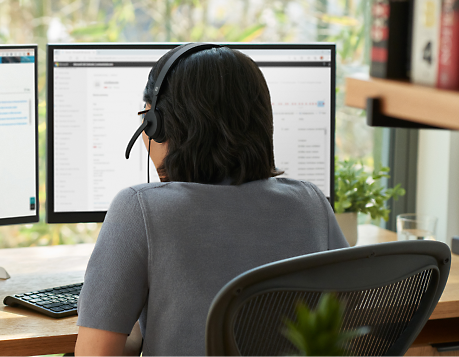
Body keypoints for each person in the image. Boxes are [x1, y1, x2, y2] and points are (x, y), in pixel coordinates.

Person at [74, 45, 348, 357]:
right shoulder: (310, 203)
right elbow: (345, 323)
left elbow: (95, 354)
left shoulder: (139, 209)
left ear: (158, 125)